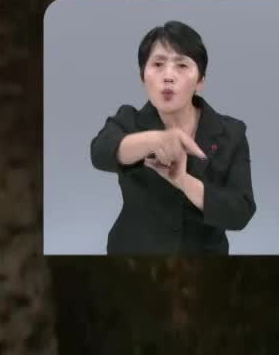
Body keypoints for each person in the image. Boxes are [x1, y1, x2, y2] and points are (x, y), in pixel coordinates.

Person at [89, 20, 257, 254]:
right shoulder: (129, 120)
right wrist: (156, 140)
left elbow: (241, 212)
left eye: (182, 65)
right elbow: (100, 152)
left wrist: (183, 181)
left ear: (200, 82)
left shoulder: (232, 133)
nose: (168, 76)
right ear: (142, 77)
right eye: (157, 64)